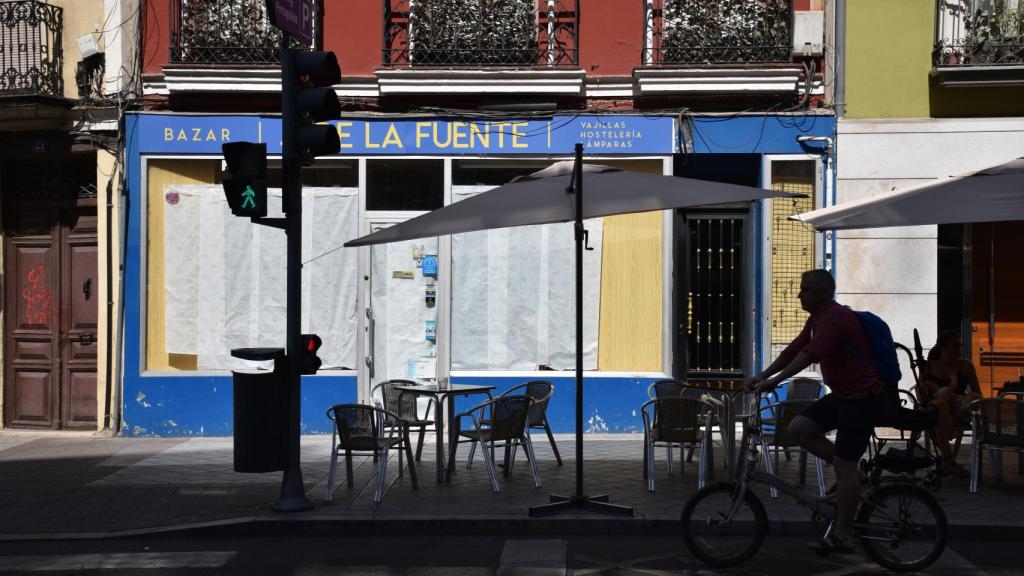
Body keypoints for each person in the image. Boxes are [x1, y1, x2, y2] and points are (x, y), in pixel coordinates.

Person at [746, 269, 886, 553]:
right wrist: (762, 376)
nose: (800, 294)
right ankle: (855, 478)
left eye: (806, 289)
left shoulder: (836, 318)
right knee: (799, 429)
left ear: (823, 292)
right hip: (844, 396)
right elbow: (792, 350)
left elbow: (811, 353)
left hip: (862, 398)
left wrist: (775, 381)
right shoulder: (817, 319)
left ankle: (843, 535)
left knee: (844, 465)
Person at [921, 329, 981, 476]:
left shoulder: (966, 366)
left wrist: (966, 398)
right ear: (942, 348)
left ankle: (948, 461)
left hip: (959, 411)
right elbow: (921, 397)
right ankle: (949, 462)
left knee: (969, 397)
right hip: (937, 412)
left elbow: (979, 395)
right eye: (955, 346)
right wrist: (940, 398)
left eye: (960, 345)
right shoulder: (928, 367)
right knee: (940, 406)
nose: (959, 349)